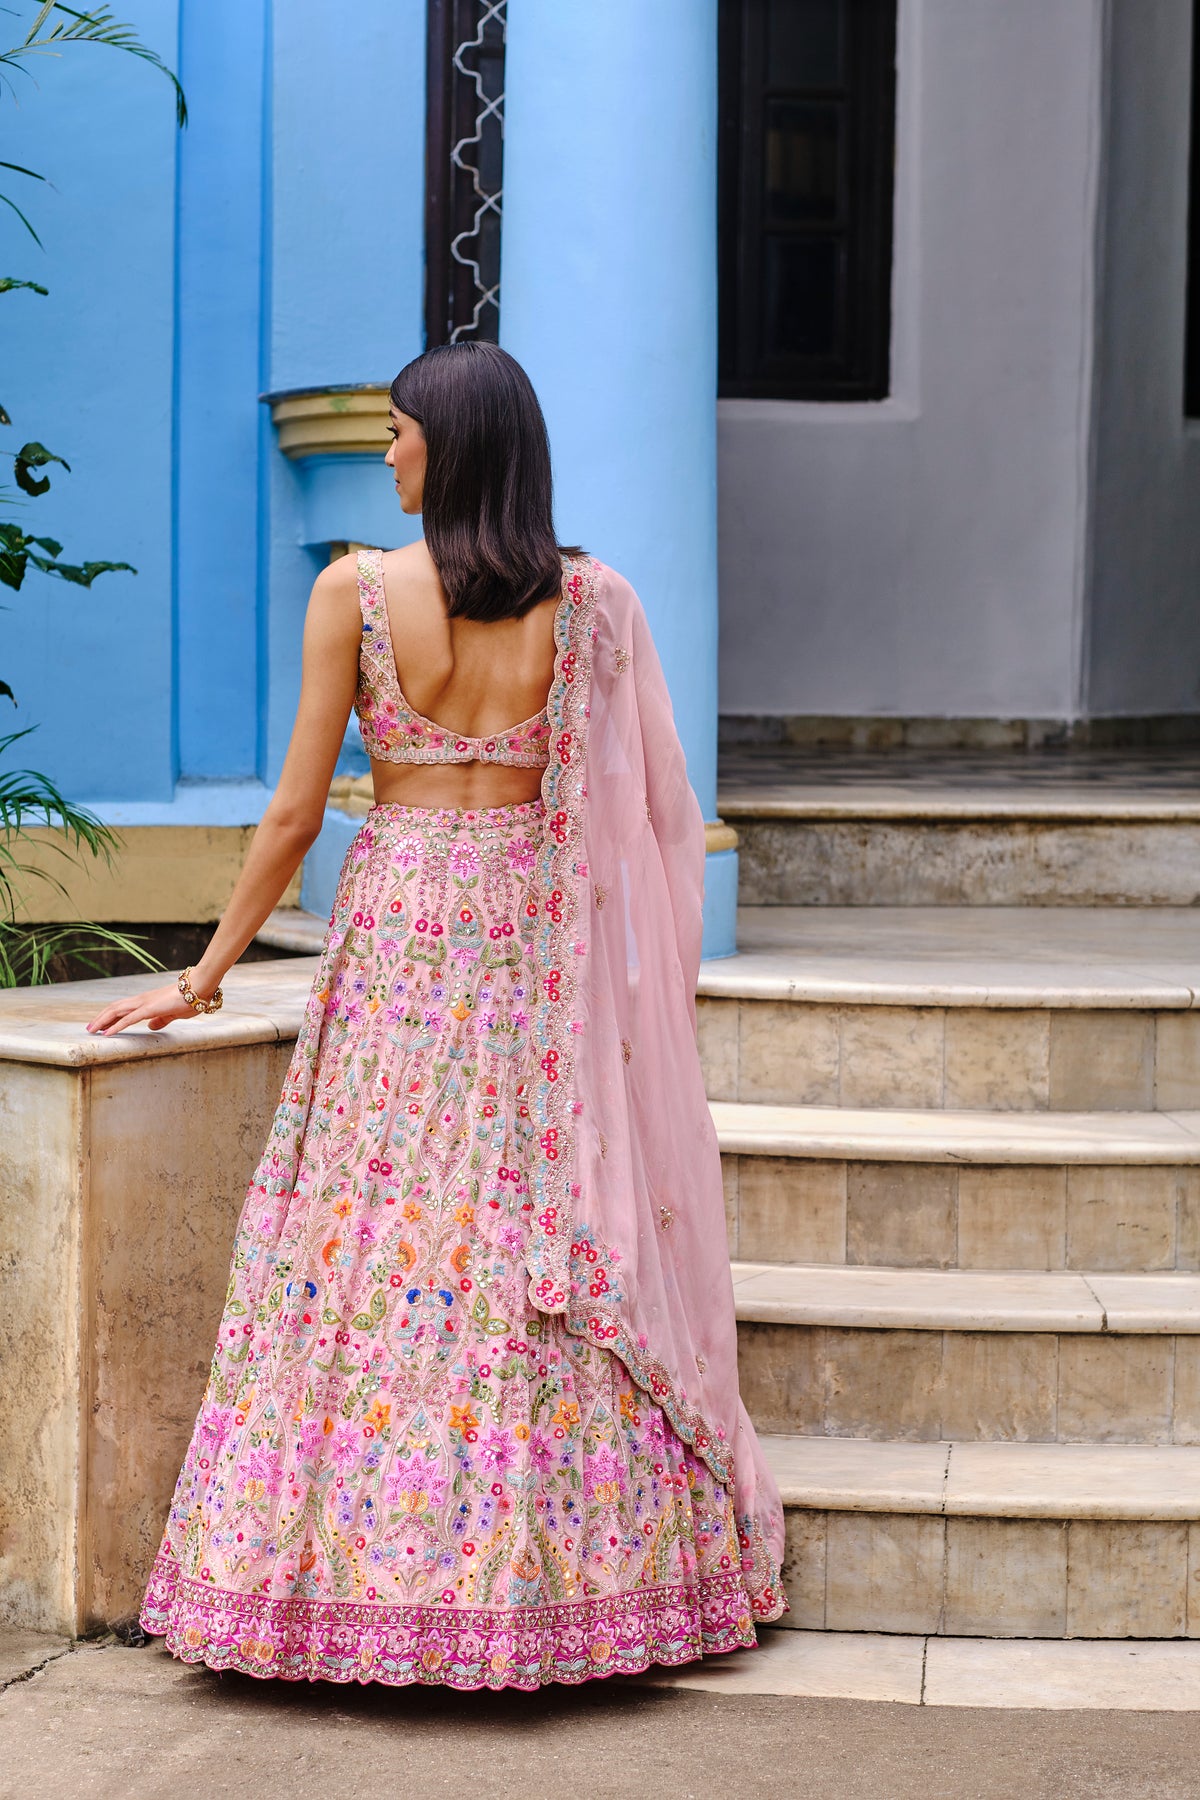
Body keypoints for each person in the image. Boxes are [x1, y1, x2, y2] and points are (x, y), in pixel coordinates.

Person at [86, 341, 786, 1689]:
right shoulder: (594, 605)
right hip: (527, 941)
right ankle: (579, 1583)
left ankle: (337, 1581)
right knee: (529, 1222)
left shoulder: (350, 592)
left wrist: (208, 968)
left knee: (369, 1229)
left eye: (403, 436)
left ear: (453, 450)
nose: (389, 455)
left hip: (403, 928)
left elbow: (295, 814)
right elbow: (660, 822)